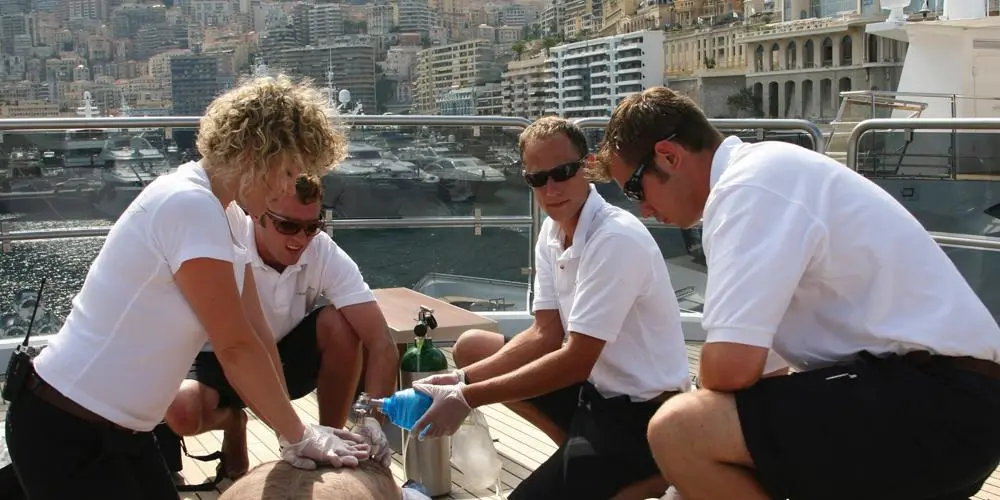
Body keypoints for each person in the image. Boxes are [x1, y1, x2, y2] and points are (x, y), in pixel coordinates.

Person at [598, 86, 1000, 500]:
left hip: (936, 406)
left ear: (668, 155)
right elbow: (762, 374)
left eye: (634, 189)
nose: (641, 210)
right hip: (946, 406)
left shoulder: (747, 189)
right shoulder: (764, 175)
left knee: (678, 428)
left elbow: (730, 369)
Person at [4, 75, 373, 499]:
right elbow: (233, 346)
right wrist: (299, 434)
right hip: (67, 426)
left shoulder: (230, 217)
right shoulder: (190, 205)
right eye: (288, 172)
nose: (289, 188)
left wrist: (294, 432)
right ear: (256, 154)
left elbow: (257, 337)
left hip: (126, 432)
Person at [411, 116, 690, 499]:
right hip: (594, 395)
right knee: (473, 348)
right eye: (537, 179)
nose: (551, 188)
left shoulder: (615, 239)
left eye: (562, 172)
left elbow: (576, 359)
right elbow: (545, 334)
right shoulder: (553, 230)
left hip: (644, 414)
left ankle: (652, 474)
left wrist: (466, 397)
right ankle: (580, 455)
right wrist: (461, 380)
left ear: (587, 166)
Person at [164, 174, 399, 478]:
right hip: (217, 354)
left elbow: (381, 341)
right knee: (181, 411)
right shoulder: (227, 245)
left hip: (283, 357)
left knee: (341, 325)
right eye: (287, 225)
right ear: (257, 214)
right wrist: (291, 434)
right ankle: (233, 422)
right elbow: (235, 347)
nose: (300, 239)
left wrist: (372, 419)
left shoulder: (323, 251)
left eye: (312, 227)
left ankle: (334, 437)